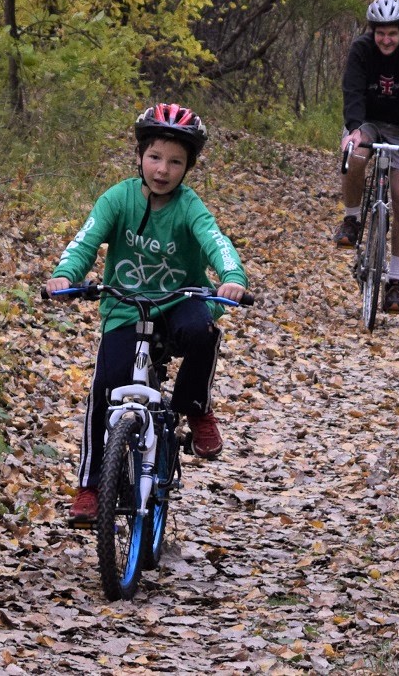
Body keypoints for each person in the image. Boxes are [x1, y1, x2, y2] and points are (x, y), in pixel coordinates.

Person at [45, 103, 248, 523]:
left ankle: (195, 407)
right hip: (124, 307)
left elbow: (216, 240)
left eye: (175, 162)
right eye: (155, 157)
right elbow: (85, 242)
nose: (162, 169)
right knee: (104, 389)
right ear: (139, 156)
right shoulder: (117, 199)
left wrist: (231, 276)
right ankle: (89, 486)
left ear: (188, 167)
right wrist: (66, 277)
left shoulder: (189, 206)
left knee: (203, 331)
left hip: (178, 302)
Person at [333, 0, 399, 314]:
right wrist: (354, 128)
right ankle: (352, 219)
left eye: (392, 33)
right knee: (356, 153)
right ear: (372, 32)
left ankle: (395, 283)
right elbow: (353, 90)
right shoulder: (362, 50)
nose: (386, 39)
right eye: (380, 33)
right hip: (369, 123)